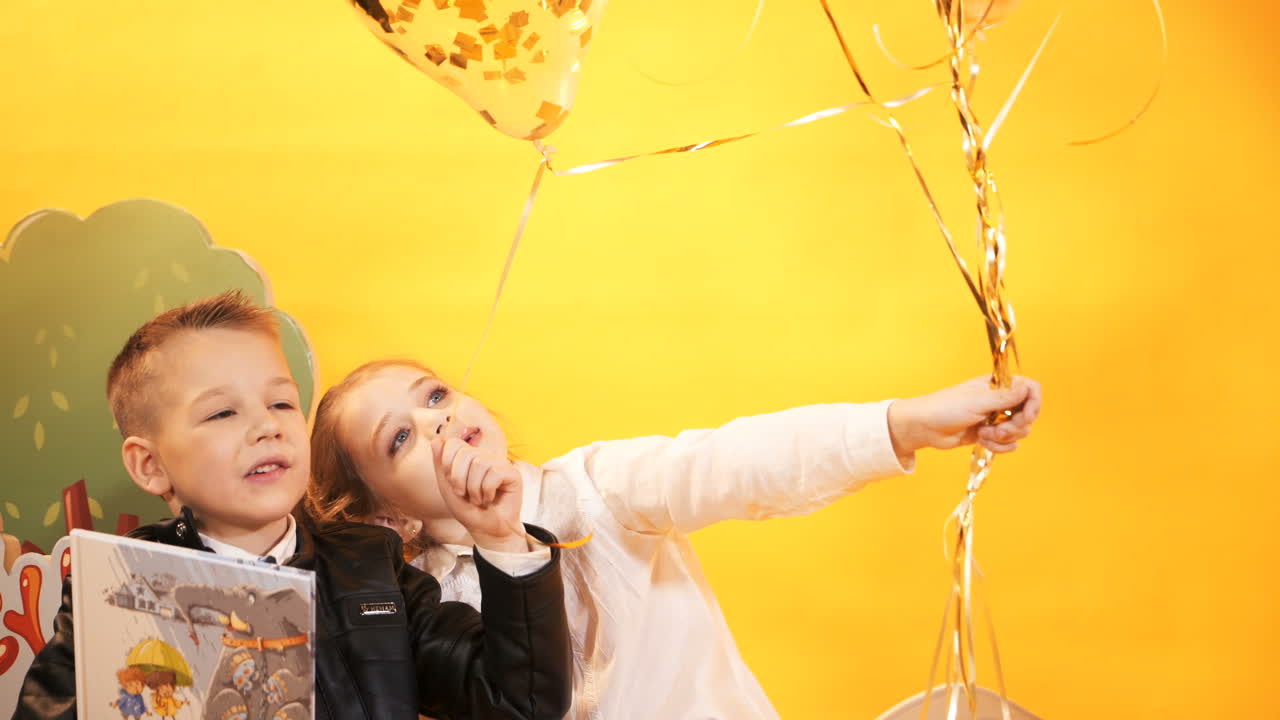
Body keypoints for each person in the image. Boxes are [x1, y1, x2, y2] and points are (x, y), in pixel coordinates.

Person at [306, 358, 1042, 720]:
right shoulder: (422, 612)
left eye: (435, 394)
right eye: (401, 436)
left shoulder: (597, 487)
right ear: (386, 517)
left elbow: (736, 461)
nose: (437, 420)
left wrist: (903, 423)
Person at [12, 292, 572, 720]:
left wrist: (500, 539)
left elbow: (520, 702)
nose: (266, 427)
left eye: (281, 402)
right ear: (150, 465)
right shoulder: (120, 582)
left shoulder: (372, 568)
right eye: (222, 414)